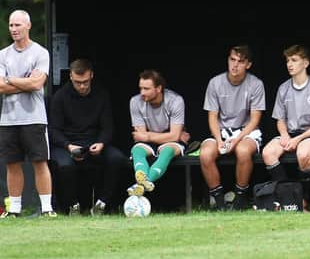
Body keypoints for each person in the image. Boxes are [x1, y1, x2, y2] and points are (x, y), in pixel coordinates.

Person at [49, 59, 128, 215]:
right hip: (67, 144)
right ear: (71, 77)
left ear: (91, 75)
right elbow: (53, 130)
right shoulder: (60, 97)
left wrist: (101, 143)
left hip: (94, 142)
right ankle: (72, 206)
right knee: (65, 166)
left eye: (85, 82)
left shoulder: (102, 94)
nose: (82, 86)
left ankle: (102, 204)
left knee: (117, 158)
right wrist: (69, 146)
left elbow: (108, 127)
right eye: (78, 82)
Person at [0, 10, 56, 218]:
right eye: (11, 25)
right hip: (8, 119)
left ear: (28, 26)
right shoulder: (3, 55)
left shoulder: (40, 53)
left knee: (39, 162)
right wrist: (23, 81)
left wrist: (10, 79)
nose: (14, 29)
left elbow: (37, 83)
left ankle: (47, 208)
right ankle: (14, 209)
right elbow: (0, 86)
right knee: (12, 163)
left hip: (34, 118)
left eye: (18, 25)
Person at [262, 45, 310, 209]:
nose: (289, 64)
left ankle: (305, 200)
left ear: (305, 63)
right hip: (290, 134)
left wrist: (299, 139)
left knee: (303, 153)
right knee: (268, 153)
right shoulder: (283, 88)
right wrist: (285, 135)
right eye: (287, 61)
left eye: (294, 60)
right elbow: (279, 118)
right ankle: (289, 198)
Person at [200, 45, 265, 210]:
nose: (235, 65)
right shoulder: (215, 83)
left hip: (246, 131)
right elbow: (213, 116)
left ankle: (239, 199)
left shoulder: (256, 84)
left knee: (243, 151)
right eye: (232, 60)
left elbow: (255, 119)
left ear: (248, 65)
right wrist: (219, 140)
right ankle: (220, 203)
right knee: (205, 154)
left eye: (240, 61)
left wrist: (236, 140)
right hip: (222, 131)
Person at [128, 69, 190, 197]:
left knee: (167, 151)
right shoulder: (135, 102)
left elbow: (174, 136)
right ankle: (145, 182)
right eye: (141, 88)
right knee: (137, 151)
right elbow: (140, 135)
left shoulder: (175, 100)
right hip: (154, 141)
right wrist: (148, 137)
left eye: (146, 89)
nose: (142, 93)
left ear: (158, 89)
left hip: (171, 142)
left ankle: (142, 184)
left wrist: (148, 136)